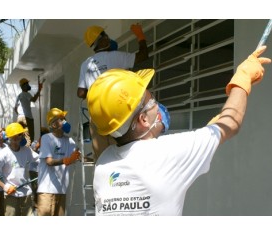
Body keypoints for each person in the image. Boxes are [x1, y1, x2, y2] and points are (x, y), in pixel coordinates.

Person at [86, 46, 271, 216]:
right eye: (152, 101)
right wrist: (243, 78)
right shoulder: (167, 154)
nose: (157, 106)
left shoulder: (104, 163)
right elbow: (231, 123)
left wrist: (210, 129)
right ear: (143, 119)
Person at [77, 24, 149, 162]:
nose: (108, 38)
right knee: (122, 153)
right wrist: (140, 36)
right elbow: (143, 55)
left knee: (102, 157)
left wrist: (95, 89)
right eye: (105, 35)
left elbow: (80, 93)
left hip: (97, 115)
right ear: (100, 40)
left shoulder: (86, 64)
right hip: (118, 110)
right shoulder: (116, 57)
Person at [36, 108, 81, 216]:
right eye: (61, 119)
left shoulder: (69, 141)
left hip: (62, 190)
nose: (65, 121)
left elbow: (78, 157)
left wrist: (96, 159)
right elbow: (49, 162)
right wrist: (66, 160)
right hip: (47, 190)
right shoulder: (46, 138)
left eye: (64, 118)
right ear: (53, 125)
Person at [0, 122, 39, 216]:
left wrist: (62, 161)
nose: (17, 137)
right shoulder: (4, 153)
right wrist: (5, 187)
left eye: (19, 134)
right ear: (9, 137)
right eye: (13, 135)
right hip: (11, 195)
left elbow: (40, 159)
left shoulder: (27, 151)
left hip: (26, 194)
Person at [14, 78, 43, 146]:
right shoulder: (26, 94)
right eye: (27, 84)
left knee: (20, 136)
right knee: (29, 137)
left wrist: (20, 114)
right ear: (23, 86)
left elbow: (15, 109)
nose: (28, 85)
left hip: (19, 118)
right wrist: (39, 90)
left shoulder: (19, 96)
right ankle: (28, 153)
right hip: (27, 118)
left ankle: (21, 151)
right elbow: (33, 99)